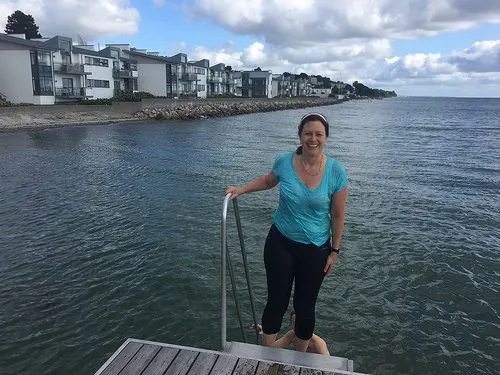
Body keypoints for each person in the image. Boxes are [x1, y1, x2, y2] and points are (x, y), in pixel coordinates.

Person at [225, 112, 348, 353]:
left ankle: (299, 360)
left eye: (318, 134)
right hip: (280, 243)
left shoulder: (336, 171)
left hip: (315, 249)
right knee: (276, 302)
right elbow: (268, 180)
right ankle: (267, 358)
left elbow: (337, 215)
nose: (313, 139)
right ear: (300, 136)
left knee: (305, 307)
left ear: (326, 138)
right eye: (308, 133)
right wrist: (241, 190)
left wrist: (334, 250)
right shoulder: (285, 161)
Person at [252, 310, 330, 355]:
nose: (296, 326)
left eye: (299, 323)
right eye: (294, 323)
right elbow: (273, 348)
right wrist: (264, 332)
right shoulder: (292, 335)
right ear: (291, 324)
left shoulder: (318, 343)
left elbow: (328, 364)